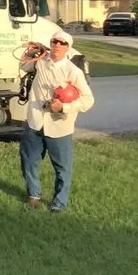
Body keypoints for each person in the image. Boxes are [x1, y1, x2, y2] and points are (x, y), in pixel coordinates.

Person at [19, 28, 94, 213]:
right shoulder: (41, 62)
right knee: (29, 161)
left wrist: (64, 107)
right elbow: (24, 65)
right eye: (55, 42)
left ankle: (59, 203)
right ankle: (33, 196)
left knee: (62, 167)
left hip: (59, 126)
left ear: (69, 48)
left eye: (63, 43)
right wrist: (29, 52)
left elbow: (88, 100)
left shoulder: (73, 72)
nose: (57, 46)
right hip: (35, 121)